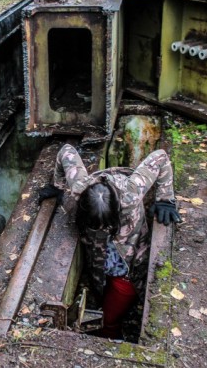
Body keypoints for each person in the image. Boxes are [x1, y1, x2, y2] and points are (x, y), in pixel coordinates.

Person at [39, 143, 181, 339]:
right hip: (101, 262)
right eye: (95, 226)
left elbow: (161, 156)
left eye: (106, 226)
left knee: (110, 319)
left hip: (128, 268)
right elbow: (66, 150)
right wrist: (58, 186)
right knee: (101, 295)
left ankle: (111, 333)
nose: (102, 230)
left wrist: (165, 199)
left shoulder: (131, 194)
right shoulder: (79, 188)